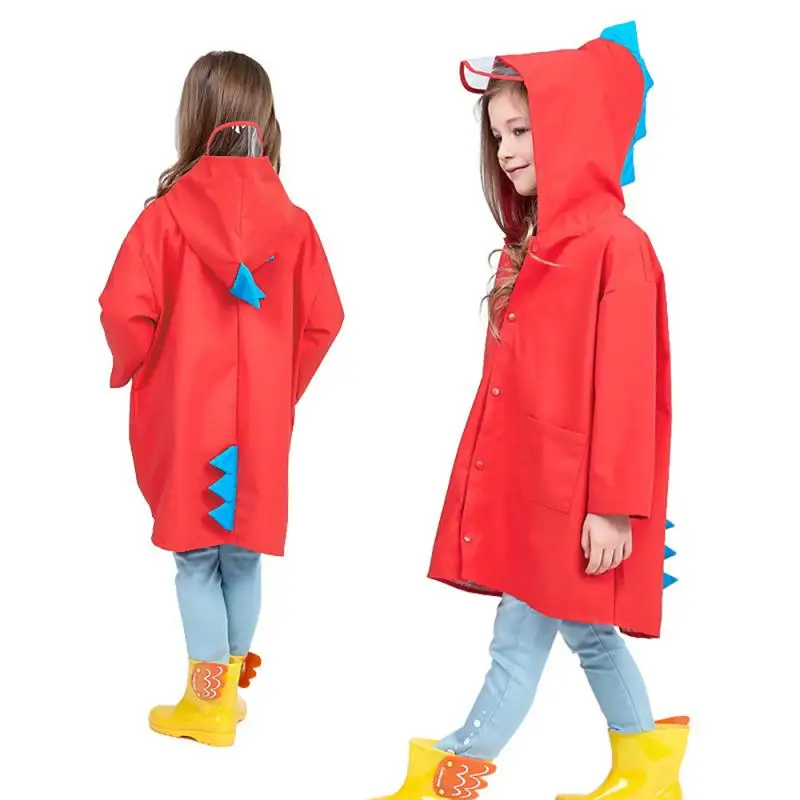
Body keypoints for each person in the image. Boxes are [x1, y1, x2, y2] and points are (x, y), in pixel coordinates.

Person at [373, 21, 689, 800]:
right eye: (497, 135)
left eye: (522, 130)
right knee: (587, 634)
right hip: (536, 489)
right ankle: (648, 764)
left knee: (518, 639)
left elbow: (628, 387)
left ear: (570, 128)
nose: (507, 150)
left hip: (576, 498)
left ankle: (451, 773)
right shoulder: (532, 244)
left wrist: (614, 506)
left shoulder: (617, 246)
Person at [99, 51, 344, 747]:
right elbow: (325, 319)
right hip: (259, 423)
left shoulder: (164, 220)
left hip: (188, 419)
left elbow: (123, 311)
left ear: (194, 117)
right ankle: (228, 695)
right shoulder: (295, 225)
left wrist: (136, 366)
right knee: (241, 556)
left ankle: (205, 703)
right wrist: (280, 387)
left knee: (195, 559)